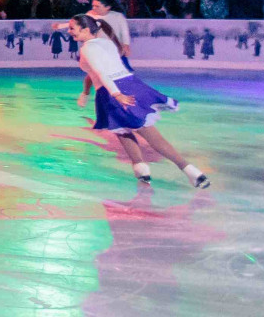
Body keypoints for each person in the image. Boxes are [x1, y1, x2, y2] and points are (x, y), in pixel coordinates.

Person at [70, 14, 210, 188]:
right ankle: (141, 170)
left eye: (72, 28)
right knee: (121, 130)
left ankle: (192, 172)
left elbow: (100, 73)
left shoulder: (87, 49)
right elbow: (92, 74)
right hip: (130, 83)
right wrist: (85, 93)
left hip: (113, 90)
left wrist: (115, 94)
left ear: (84, 29)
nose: (69, 32)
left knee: (149, 135)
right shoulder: (106, 43)